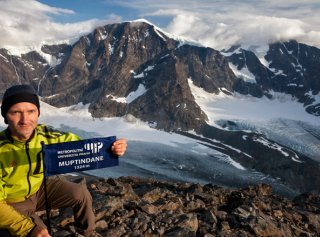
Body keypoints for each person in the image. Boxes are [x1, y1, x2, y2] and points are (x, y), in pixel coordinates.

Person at [0, 85, 127, 237]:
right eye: (16, 112)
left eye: (31, 111)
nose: (25, 120)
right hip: (12, 202)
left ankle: (86, 233)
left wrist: (111, 149)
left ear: (38, 113)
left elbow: (81, 147)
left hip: (38, 189)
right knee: (41, 233)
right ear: (6, 116)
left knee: (81, 194)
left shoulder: (46, 135)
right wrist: (27, 228)